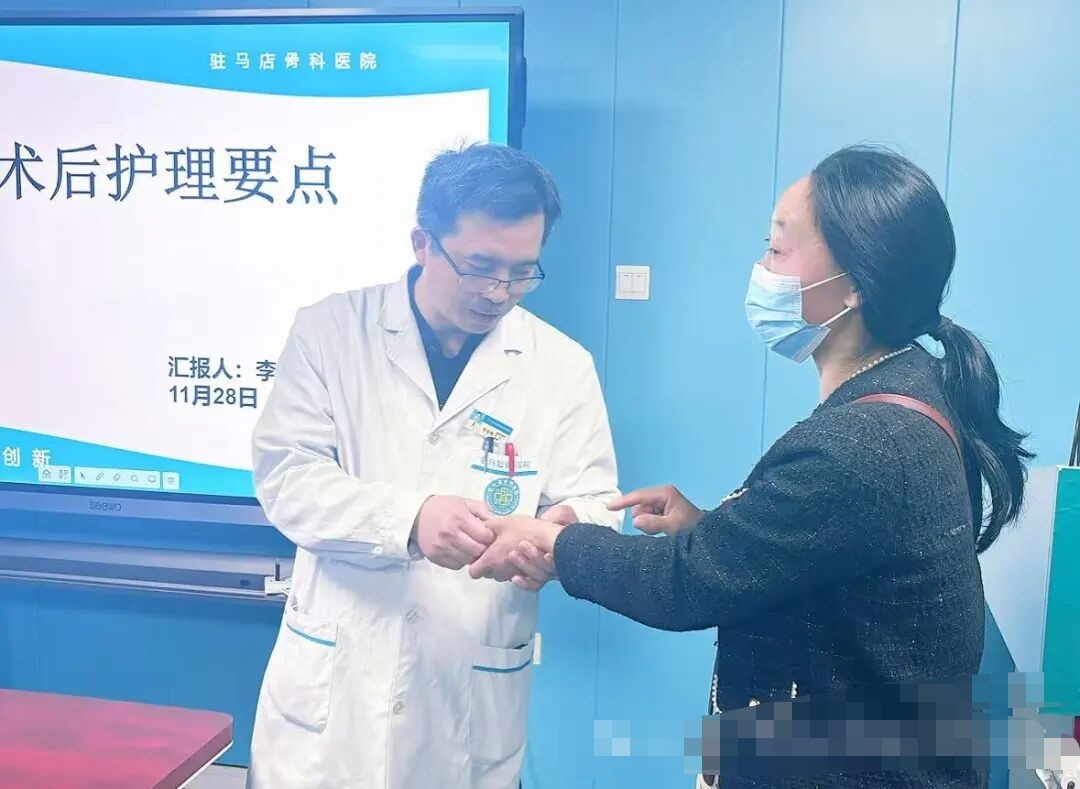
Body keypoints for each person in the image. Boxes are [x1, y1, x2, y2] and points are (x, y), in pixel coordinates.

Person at [470, 144, 1034, 787]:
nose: (761, 270)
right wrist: (707, 527)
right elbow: (821, 551)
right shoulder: (910, 390)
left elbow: (683, 585)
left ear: (855, 283)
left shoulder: (861, 444)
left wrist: (555, 543)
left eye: (777, 249)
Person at [246, 143, 622, 789]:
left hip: (466, 698)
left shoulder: (562, 366)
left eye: (521, 272)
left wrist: (557, 535)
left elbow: (595, 502)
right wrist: (411, 519)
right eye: (480, 268)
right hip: (332, 704)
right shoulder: (330, 332)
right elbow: (287, 477)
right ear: (423, 242)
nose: (499, 292)